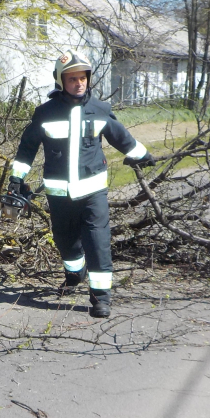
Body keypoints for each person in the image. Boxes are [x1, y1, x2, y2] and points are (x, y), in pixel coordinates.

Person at [9, 50, 154, 318]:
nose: (79, 83)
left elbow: (121, 137)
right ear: (60, 81)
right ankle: (75, 272)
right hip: (59, 193)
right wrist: (17, 178)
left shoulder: (100, 110)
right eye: (72, 78)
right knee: (65, 241)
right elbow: (26, 148)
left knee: (97, 242)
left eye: (83, 78)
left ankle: (101, 297)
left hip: (92, 192)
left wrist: (140, 154)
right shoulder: (45, 113)